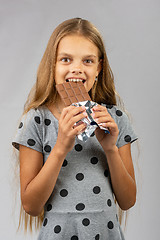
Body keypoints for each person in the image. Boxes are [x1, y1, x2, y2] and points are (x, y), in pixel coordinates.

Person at [12, 17, 138, 240]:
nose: (77, 69)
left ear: (99, 67)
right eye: (66, 59)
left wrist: (110, 149)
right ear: (53, 65)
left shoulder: (115, 119)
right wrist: (60, 147)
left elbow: (127, 201)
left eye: (88, 61)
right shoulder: (36, 121)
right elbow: (31, 205)